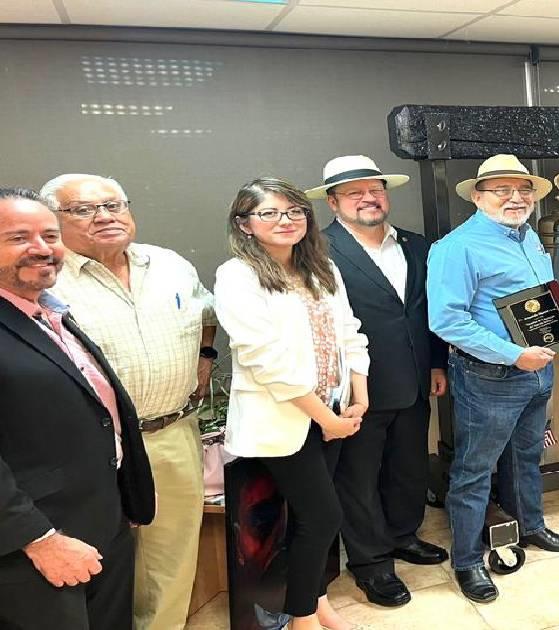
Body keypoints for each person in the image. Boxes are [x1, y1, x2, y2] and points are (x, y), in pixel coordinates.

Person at [41, 173, 215, 630]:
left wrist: (206, 355)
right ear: (52, 221)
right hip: (92, 449)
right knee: (95, 562)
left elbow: (207, 312)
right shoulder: (45, 278)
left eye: (114, 204)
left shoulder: (170, 264)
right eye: (82, 209)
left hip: (174, 433)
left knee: (171, 560)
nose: (104, 217)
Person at [213, 178, 369, 630]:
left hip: (335, 409)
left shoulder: (322, 268)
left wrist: (360, 393)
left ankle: (317, 602)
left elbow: (348, 331)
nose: (285, 220)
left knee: (311, 517)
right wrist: (327, 420)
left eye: (294, 211)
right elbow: (265, 359)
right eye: (270, 213)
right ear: (244, 224)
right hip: (287, 419)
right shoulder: (237, 276)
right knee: (323, 516)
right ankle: (302, 619)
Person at [427, 154, 559, 604]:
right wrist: (515, 355)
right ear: (477, 197)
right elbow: (447, 320)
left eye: (523, 189)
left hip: (538, 371)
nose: (515, 198)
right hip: (490, 377)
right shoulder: (457, 247)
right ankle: (467, 560)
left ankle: (530, 526)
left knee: (526, 457)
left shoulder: (529, 237)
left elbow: (535, 301)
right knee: (474, 470)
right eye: (501, 189)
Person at [0, 187, 155, 629]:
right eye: (19, 237)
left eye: (50, 235)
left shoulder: (49, 313)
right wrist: (39, 540)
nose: (42, 248)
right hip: (33, 545)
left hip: (100, 521)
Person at [305, 155, 448, 607]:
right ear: (333, 202)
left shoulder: (416, 245)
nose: (369, 198)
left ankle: (404, 534)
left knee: (409, 465)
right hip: (354, 388)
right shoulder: (315, 250)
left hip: (414, 376)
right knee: (358, 477)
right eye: (354, 192)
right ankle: (371, 562)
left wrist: (437, 364)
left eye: (376, 189)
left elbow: (429, 312)